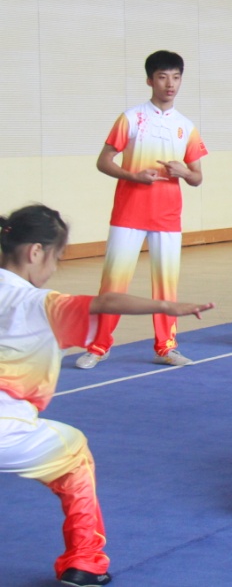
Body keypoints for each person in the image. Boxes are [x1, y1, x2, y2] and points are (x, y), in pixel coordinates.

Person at [0, 204, 214, 587]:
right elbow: (105, 303)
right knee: (75, 455)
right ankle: (85, 563)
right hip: (7, 427)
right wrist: (168, 306)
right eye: (56, 258)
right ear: (35, 252)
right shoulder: (39, 303)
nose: (53, 269)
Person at [76, 50, 208, 370]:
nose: (170, 84)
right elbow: (103, 161)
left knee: (166, 285)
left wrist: (183, 172)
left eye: (176, 77)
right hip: (129, 213)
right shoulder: (131, 118)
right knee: (114, 283)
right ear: (150, 80)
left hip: (168, 217)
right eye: (162, 77)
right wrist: (133, 176)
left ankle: (166, 346)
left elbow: (197, 177)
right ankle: (99, 345)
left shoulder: (186, 127)